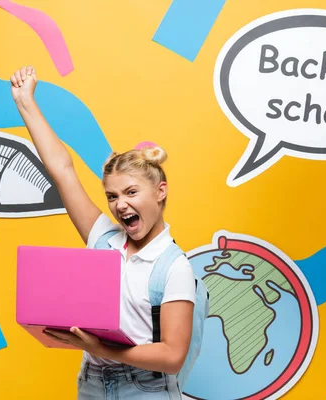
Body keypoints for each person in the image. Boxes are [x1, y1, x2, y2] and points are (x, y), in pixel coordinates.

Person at [10, 66, 196, 399]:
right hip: (93, 383)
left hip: (146, 389)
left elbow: (171, 356)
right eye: (112, 196)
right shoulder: (103, 239)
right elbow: (63, 171)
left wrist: (100, 347)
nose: (120, 205)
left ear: (160, 191)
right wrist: (26, 102)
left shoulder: (173, 266)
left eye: (131, 192)